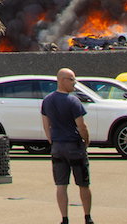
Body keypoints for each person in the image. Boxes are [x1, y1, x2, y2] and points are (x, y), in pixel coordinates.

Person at [41, 68, 93, 224]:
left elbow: (46, 125)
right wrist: (86, 140)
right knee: (83, 184)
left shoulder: (47, 101)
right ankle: (87, 217)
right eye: (72, 80)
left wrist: (52, 141)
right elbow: (81, 126)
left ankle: (64, 218)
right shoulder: (73, 101)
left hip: (57, 147)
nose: (74, 83)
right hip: (74, 147)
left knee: (61, 184)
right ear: (62, 80)